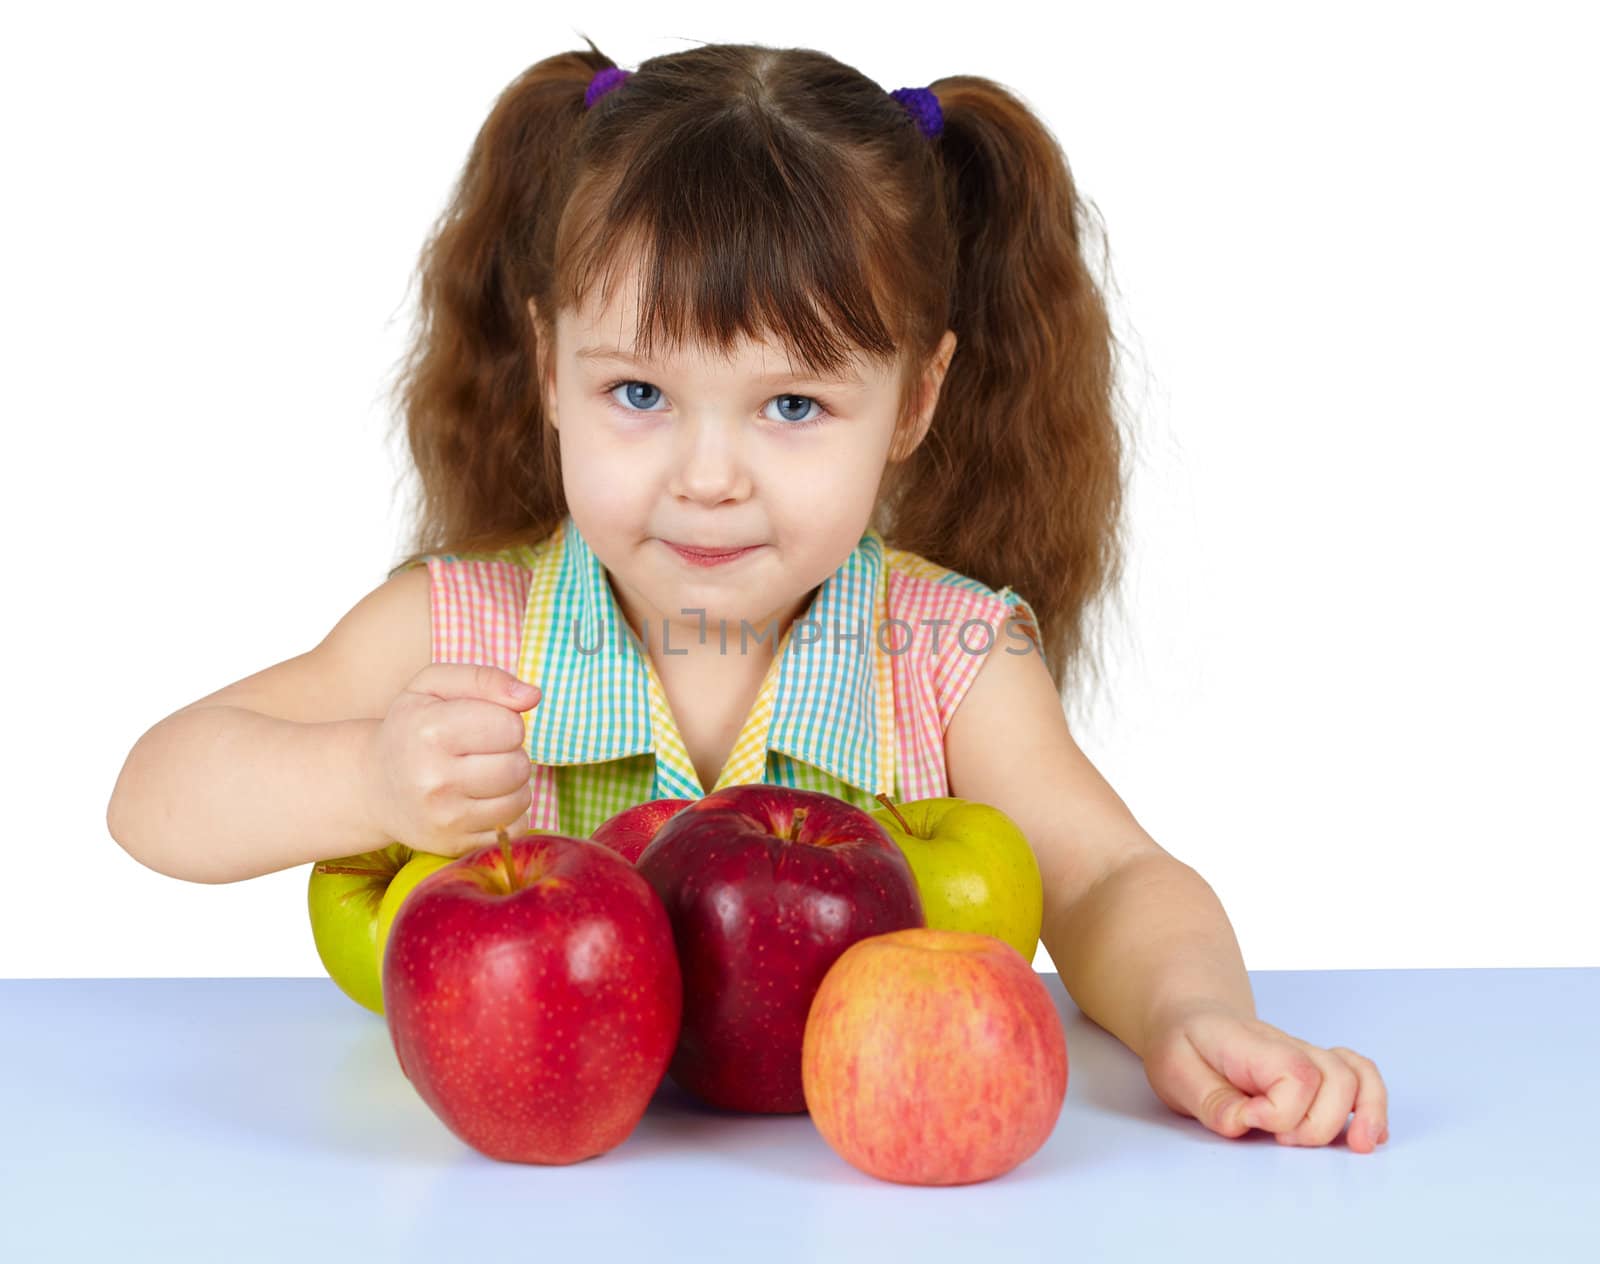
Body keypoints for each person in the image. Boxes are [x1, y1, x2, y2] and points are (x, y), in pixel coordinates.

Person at [106, 39, 1388, 1154]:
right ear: (549, 369)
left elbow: (1110, 879)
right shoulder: (464, 629)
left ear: (916, 403)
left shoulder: (940, 655)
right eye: (639, 395)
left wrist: (1192, 1013)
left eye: (791, 405)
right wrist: (365, 786)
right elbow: (153, 793)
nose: (707, 478)